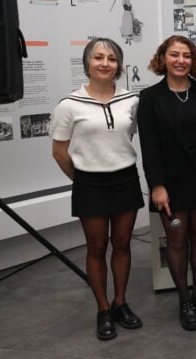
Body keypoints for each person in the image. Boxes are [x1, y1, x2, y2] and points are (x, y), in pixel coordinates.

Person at [51, 38, 144, 341]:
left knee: (123, 243)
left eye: (112, 59)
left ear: (119, 65)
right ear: (87, 63)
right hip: (89, 183)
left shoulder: (131, 100)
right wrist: (81, 179)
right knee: (97, 247)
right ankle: (103, 309)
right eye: (98, 57)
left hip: (125, 178)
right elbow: (59, 152)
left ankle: (120, 303)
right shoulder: (69, 104)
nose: (105, 63)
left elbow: (127, 137)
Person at [138, 35, 196, 331]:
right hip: (170, 183)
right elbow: (149, 147)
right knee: (176, 240)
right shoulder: (150, 98)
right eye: (174, 54)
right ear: (163, 58)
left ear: (193, 60)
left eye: (186, 55)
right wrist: (157, 186)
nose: (181, 60)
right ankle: (184, 299)